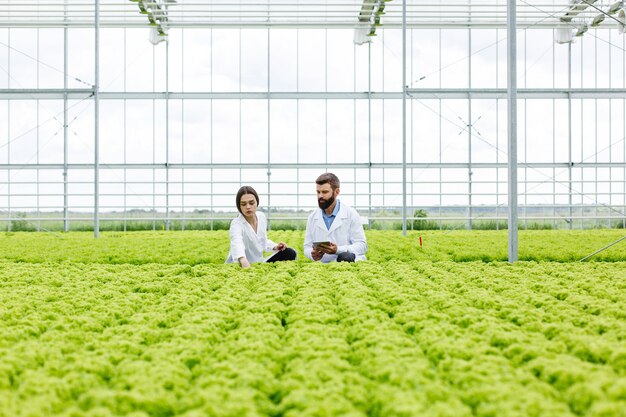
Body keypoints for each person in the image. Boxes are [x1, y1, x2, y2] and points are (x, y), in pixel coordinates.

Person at [226, 186, 297, 268]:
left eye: (251, 203)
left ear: (257, 202)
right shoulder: (236, 223)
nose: (248, 207)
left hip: (258, 263)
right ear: (239, 206)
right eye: (243, 204)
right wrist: (242, 259)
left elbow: (263, 240)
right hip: (241, 264)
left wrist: (275, 246)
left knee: (290, 252)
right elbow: (237, 243)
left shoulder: (261, 217)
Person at [304, 173, 367, 263]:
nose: (320, 196)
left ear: (336, 192)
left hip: (347, 264)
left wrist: (338, 250)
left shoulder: (351, 214)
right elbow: (307, 246)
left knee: (345, 256)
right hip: (323, 265)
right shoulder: (312, 217)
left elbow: (362, 245)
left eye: (325, 192)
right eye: (318, 192)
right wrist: (312, 254)